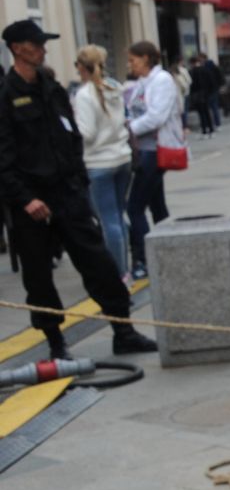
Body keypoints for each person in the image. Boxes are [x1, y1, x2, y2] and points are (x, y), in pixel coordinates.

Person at [0, 22, 157, 360]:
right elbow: (3, 158)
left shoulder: (52, 89)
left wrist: (77, 184)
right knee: (38, 277)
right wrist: (25, 199)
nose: (43, 48)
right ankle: (56, 343)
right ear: (17, 48)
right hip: (31, 203)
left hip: (67, 194)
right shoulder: (5, 95)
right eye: (36, 43)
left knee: (98, 261)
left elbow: (71, 137)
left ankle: (123, 330)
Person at [71, 45, 134, 278]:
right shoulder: (114, 87)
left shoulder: (84, 94)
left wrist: (70, 130)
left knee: (108, 220)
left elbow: (86, 132)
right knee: (118, 215)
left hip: (98, 163)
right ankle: (124, 267)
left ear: (80, 66)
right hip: (122, 157)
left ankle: (118, 273)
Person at [123, 41, 184, 280]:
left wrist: (128, 131)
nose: (131, 65)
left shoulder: (162, 81)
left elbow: (156, 116)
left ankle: (144, 259)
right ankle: (168, 251)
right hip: (144, 150)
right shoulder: (142, 83)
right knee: (157, 205)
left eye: (133, 60)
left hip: (155, 150)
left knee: (134, 207)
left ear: (147, 58)